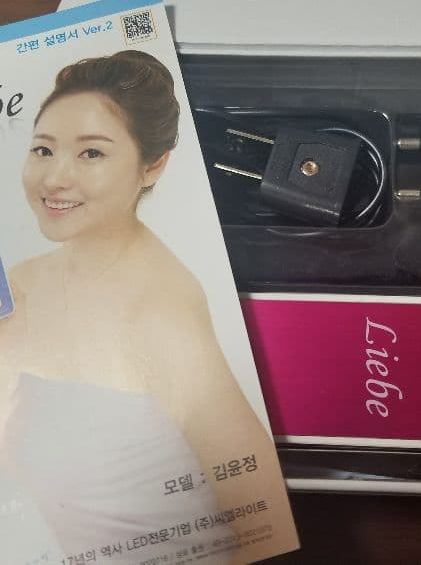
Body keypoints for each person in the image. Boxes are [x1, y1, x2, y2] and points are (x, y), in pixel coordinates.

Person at [0, 50, 296, 564]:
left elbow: (259, 514)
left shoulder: (159, 309)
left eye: (91, 153)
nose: (54, 179)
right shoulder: (23, 282)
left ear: (153, 165)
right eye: (43, 150)